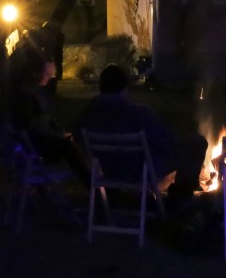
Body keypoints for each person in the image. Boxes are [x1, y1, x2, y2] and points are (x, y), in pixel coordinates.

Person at [76, 64, 208, 199]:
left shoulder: (87, 117)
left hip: (106, 172)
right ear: (125, 89)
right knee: (197, 143)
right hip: (138, 172)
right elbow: (167, 142)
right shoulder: (139, 114)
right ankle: (180, 198)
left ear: (101, 88)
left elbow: (79, 143)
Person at [6, 51, 90, 185]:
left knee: (72, 145)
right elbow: (32, 125)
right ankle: (94, 184)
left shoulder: (31, 90)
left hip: (35, 140)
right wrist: (58, 135)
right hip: (33, 144)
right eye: (48, 74)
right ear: (35, 72)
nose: (50, 78)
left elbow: (44, 119)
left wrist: (60, 132)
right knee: (70, 147)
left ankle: (95, 183)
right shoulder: (25, 94)